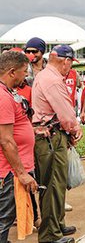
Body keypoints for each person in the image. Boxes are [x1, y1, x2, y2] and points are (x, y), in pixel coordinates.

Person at [32, 45, 81, 243]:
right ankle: (50, 234)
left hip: (49, 134)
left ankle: (56, 224)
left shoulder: (45, 76)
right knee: (53, 184)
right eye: (70, 62)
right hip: (51, 136)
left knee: (55, 184)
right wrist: (75, 130)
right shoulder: (52, 79)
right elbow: (66, 113)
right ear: (65, 60)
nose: (69, 67)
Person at [0, 51, 38, 242]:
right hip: (9, 172)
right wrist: (21, 173)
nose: (26, 76)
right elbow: (6, 140)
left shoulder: (6, 93)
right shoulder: (3, 97)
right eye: (24, 72)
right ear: (12, 71)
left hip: (11, 169)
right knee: (4, 219)